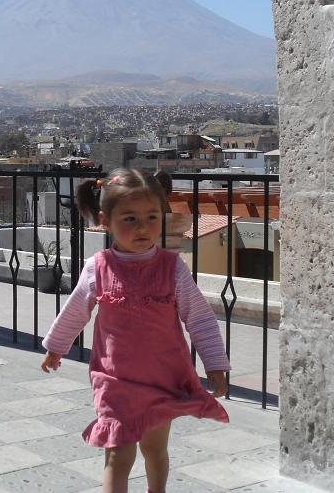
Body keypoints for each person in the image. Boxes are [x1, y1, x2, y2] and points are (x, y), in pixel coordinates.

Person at [40, 168, 230, 493]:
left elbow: (198, 318)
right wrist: (56, 346)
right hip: (115, 382)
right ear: (105, 219)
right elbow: (75, 311)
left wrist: (215, 364)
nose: (142, 227)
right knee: (118, 456)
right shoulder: (98, 268)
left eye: (152, 217)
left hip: (163, 379)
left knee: (154, 451)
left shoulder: (172, 270)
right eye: (129, 219)